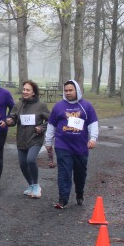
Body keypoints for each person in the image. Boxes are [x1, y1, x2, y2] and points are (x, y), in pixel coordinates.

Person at [44, 79, 99, 209]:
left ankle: (79, 193)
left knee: (80, 173)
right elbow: (51, 125)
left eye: (70, 90)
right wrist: (48, 141)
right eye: (66, 91)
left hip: (80, 147)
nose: (68, 93)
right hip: (63, 145)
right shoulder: (58, 107)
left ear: (77, 90)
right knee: (64, 172)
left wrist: (93, 139)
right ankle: (63, 199)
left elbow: (93, 124)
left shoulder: (86, 106)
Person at [6, 80, 50, 199]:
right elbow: (13, 119)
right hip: (22, 139)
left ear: (33, 92)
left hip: (35, 138)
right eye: (24, 89)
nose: (25, 92)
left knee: (30, 160)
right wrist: (9, 121)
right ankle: (30, 185)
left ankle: (36, 186)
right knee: (22, 163)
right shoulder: (18, 105)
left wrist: (41, 128)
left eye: (28, 90)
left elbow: (51, 120)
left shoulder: (41, 105)